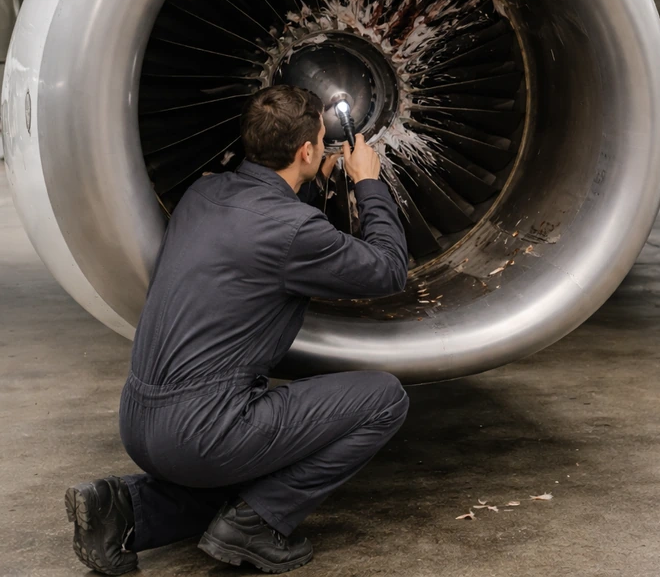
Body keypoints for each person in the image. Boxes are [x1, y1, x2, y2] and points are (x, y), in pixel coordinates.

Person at [65, 84, 410, 575]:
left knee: (254, 468)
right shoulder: (295, 231)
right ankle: (255, 526)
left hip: (139, 421)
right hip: (204, 435)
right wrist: (367, 182)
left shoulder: (203, 193)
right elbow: (388, 269)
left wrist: (310, 184)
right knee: (384, 399)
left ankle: (123, 510)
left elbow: (262, 231)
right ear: (307, 150)